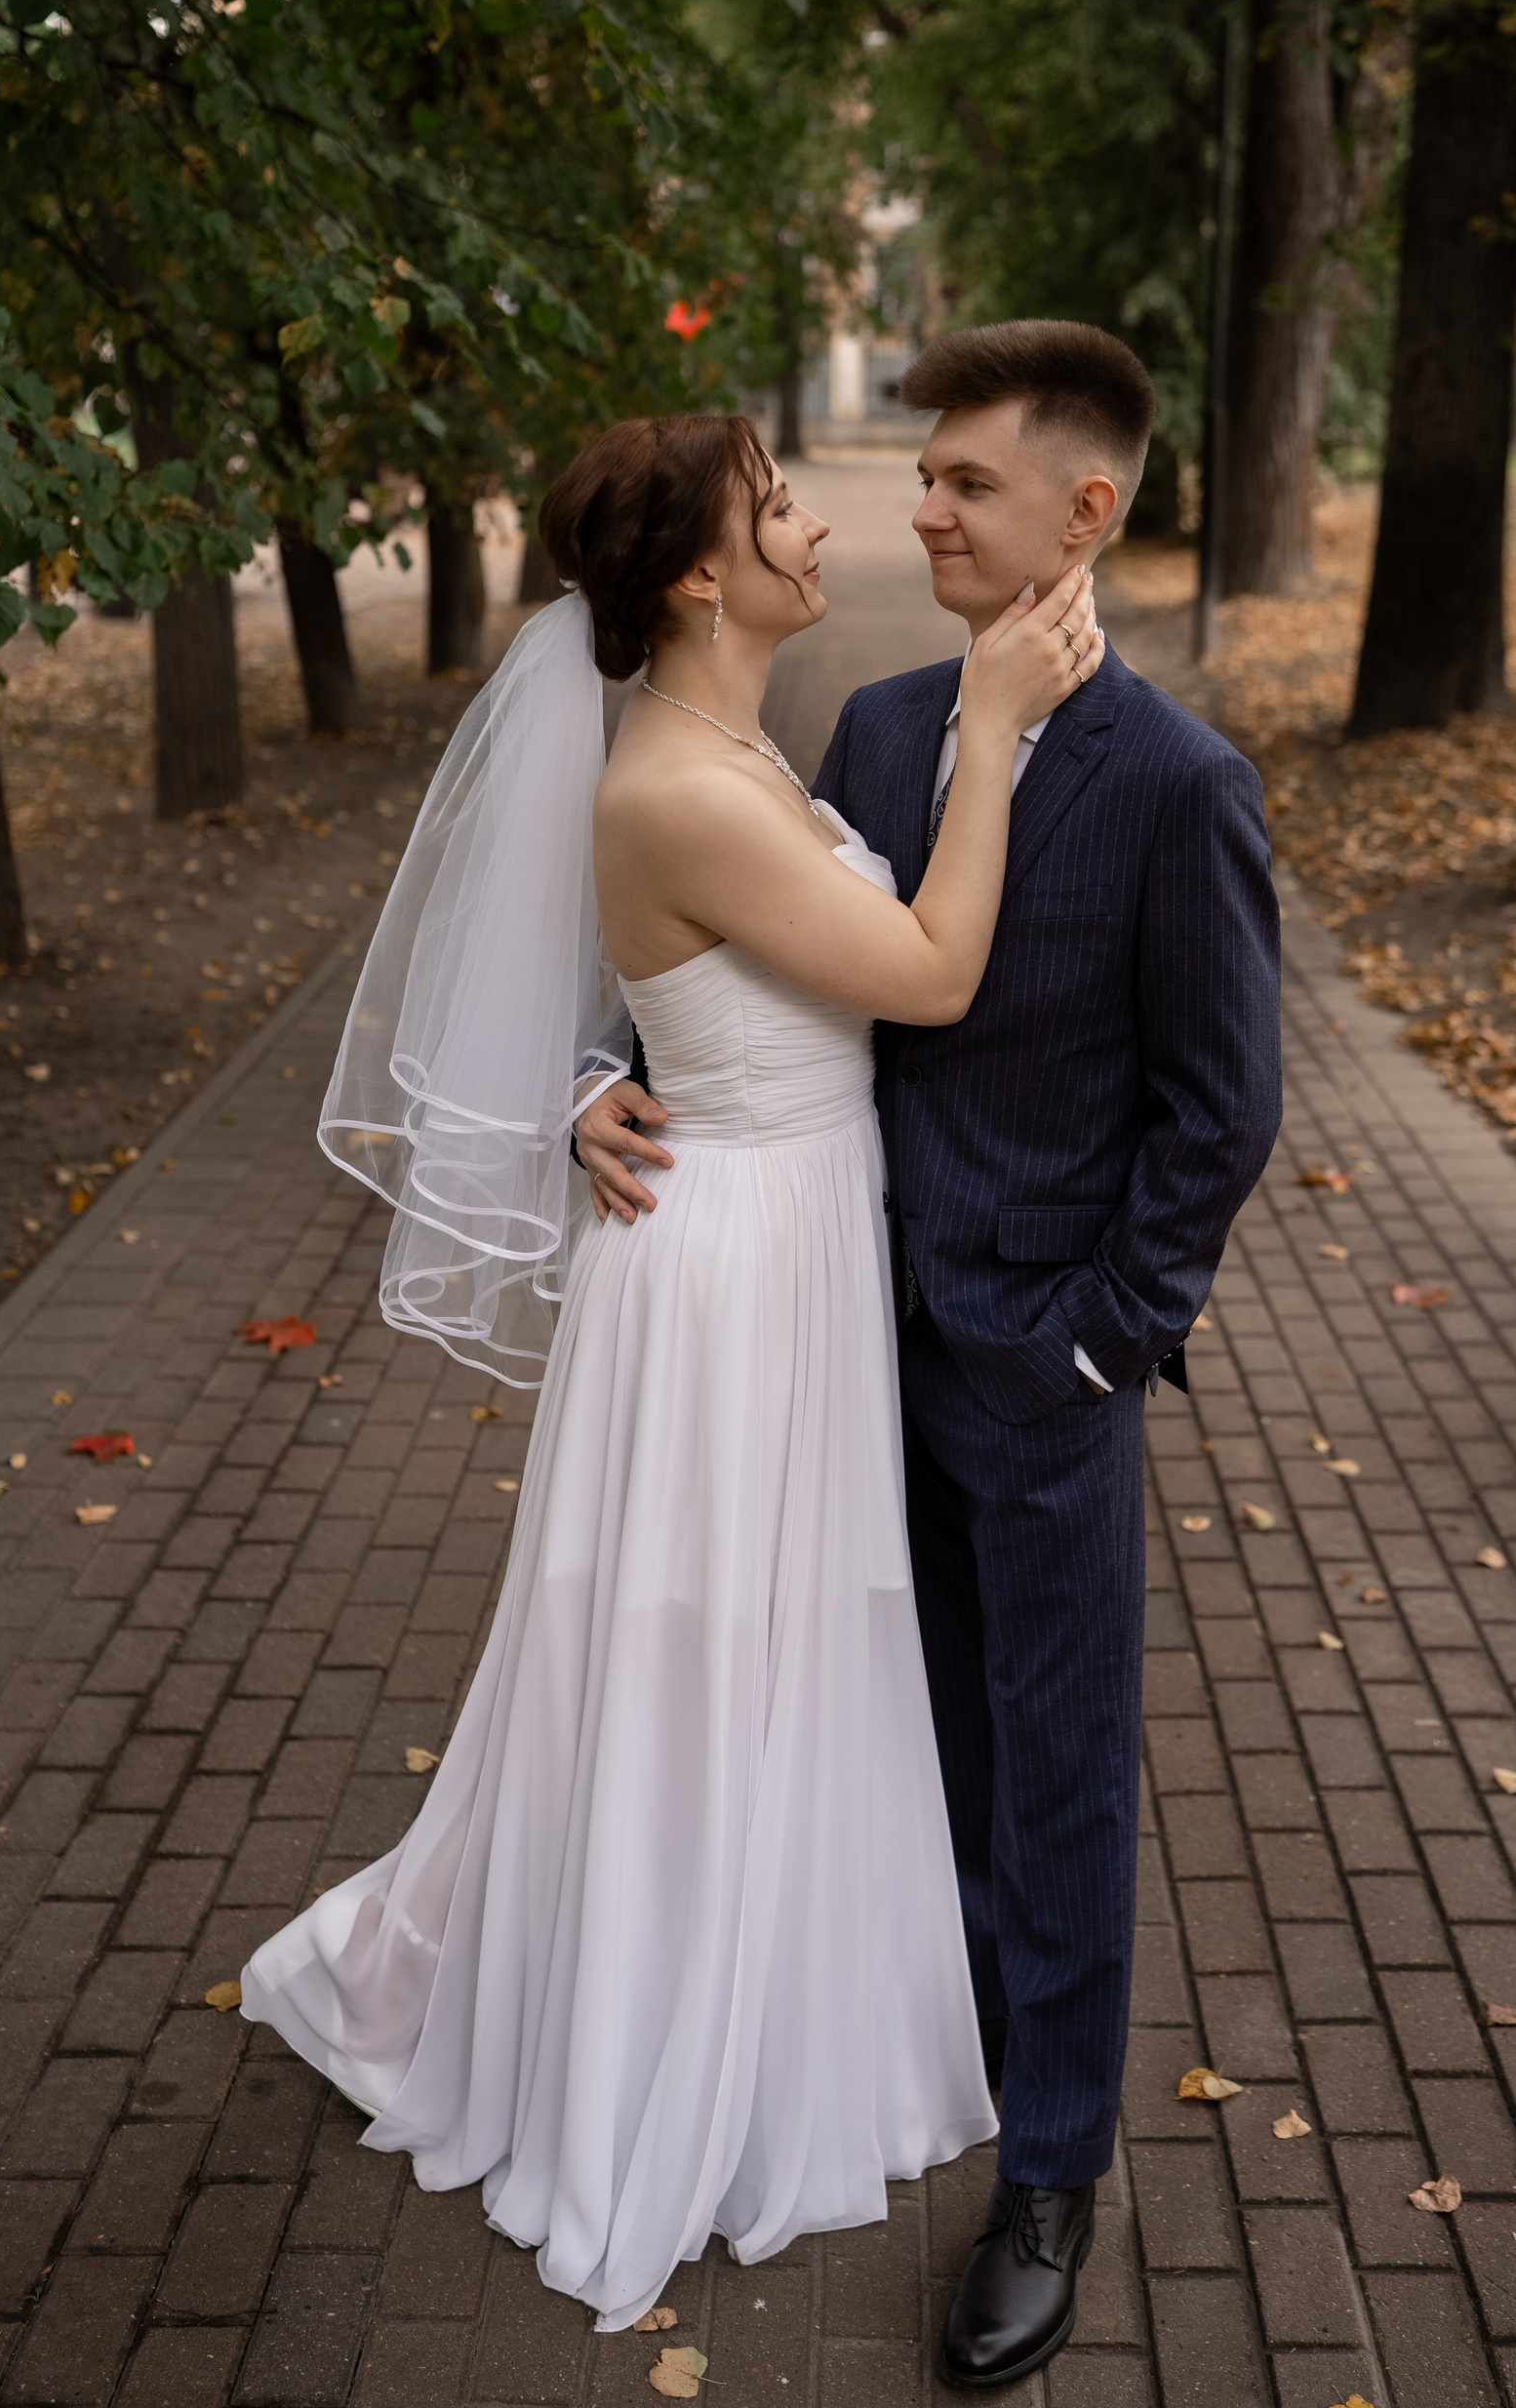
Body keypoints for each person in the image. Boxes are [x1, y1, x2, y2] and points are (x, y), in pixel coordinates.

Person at [239, 411, 1101, 2335]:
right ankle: (659, 2030)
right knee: (702, 1647)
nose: (819, 527)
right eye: (781, 506)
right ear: (705, 574)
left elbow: (652, 980)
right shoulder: (680, 785)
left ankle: (767, 1983)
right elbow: (929, 974)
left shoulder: (727, 749)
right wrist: (991, 729)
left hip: (781, 1232)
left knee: (765, 1635)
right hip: (734, 1277)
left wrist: (583, 1075)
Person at [579, 323, 1283, 2388]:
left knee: (1055, 1775)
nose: (924, 510)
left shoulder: (1178, 783)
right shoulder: (881, 728)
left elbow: (1221, 1112)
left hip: (1042, 1372)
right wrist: (596, 1081)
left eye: (969, 482)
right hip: (831, 1353)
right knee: (899, 1735)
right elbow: (731, 951)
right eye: (928, 477)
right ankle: (905, 2043)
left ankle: (1048, 2173)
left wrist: (1106, 1348)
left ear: (1087, 508)